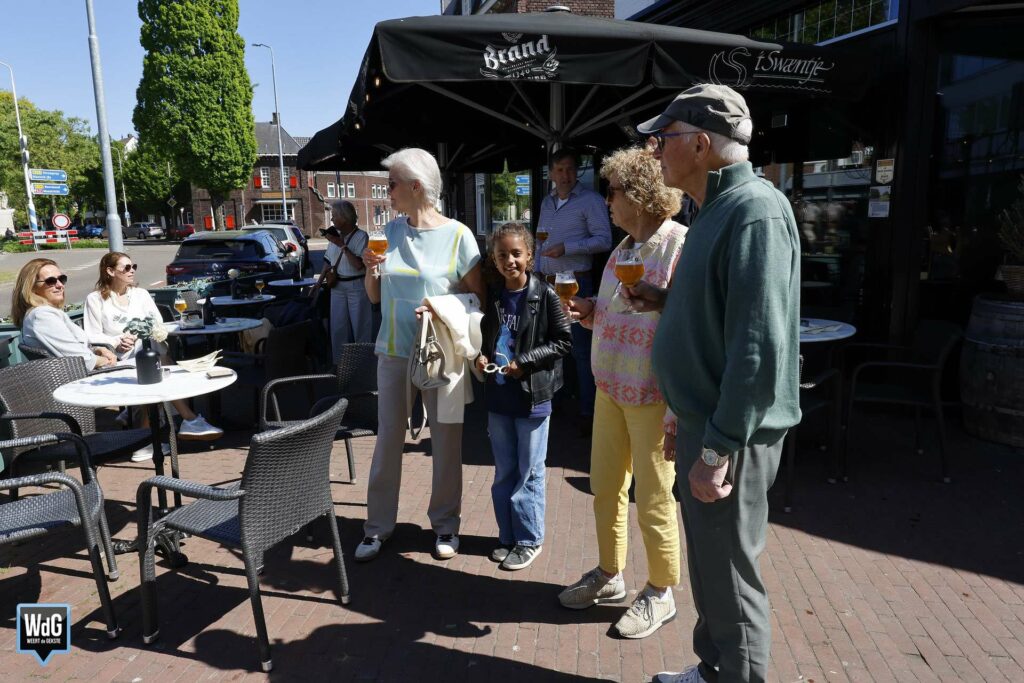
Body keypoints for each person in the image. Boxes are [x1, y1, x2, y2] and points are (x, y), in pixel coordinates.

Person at [625, 84, 801, 683]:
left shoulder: (754, 210)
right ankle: (714, 668)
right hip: (707, 420)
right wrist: (665, 301)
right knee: (708, 564)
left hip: (732, 432)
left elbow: (757, 348)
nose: (654, 151)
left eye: (663, 139)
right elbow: (722, 315)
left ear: (700, 145)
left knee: (729, 573)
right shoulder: (715, 209)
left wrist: (718, 447)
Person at [558, 146, 687, 640]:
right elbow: (616, 310)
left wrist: (678, 411)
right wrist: (590, 310)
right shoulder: (623, 248)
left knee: (654, 497)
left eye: (612, 191)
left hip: (653, 393)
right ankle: (610, 573)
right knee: (606, 487)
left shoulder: (678, 245)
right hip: (610, 385)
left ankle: (661, 589)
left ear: (639, 194)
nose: (607, 201)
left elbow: (692, 321)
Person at [357, 147, 485, 562]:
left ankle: (446, 525)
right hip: (394, 350)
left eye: (391, 183)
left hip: (442, 354)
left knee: (446, 442)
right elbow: (375, 297)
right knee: (387, 440)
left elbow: (478, 299)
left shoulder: (459, 235)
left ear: (415, 187)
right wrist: (370, 269)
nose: (387, 190)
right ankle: (377, 527)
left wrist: (438, 307)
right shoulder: (389, 232)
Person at [475, 222, 571, 572]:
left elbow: (563, 341)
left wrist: (525, 362)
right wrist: (481, 356)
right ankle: (508, 536)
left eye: (516, 253)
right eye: (502, 255)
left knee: (529, 472)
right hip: (499, 397)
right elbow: (487, 336)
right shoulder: (493, 295)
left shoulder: (544, 295)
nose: (509, 261)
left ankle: (529, 540)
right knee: (504, 472)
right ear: (494, 259)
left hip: (532, 399)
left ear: (530, 255)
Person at [83, 251, 223, 459]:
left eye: (133, 267)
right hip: (117, 358)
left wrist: (138, 335)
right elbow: (92, 335)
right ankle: (187, 421)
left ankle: (147, 434)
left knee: (154, 360)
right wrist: (117, 340)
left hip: (145, 352)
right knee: (160, 364)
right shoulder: (95, 299)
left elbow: (156, 323)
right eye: (126, 268)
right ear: (110, 271)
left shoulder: (140, 295)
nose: (132, 271)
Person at [535, 148, 611, 433]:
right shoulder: (547, 202)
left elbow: (604, 240)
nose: (565, 175)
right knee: (550, 345)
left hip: (576, 283)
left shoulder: (591, 200)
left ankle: (588, 412)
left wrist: (567, 248)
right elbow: (541, 242)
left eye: (569, 169)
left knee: (581, 350)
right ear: (551, 174)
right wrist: (535, 271)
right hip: (547, 283)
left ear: (576, 171)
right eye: (559, 170)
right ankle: (552, 403)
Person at [14, 258, 117, 372]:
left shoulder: (42, 313)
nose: (59, 285)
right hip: (81, 378)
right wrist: (105, 360)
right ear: (32, 287)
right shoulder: (43, 316)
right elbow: (83, 360)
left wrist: (96, 350)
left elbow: (69, 349)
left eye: (61, 279)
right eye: (51, 281)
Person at [320, 199, 372, 356]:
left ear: (345, 218)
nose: (332, 219)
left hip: (356, 286)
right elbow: (328, 262)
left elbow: (358, 265)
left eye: (334, 215)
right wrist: (318, 283)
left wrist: (341, 245)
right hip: (337, 287)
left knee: (361, 326)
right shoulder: (335, 236)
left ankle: (363, 363)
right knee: (338, 327)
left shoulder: (361, 236)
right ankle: (340, 363)